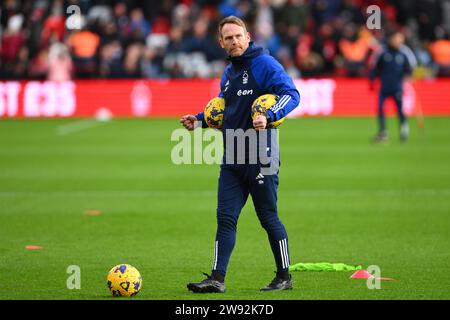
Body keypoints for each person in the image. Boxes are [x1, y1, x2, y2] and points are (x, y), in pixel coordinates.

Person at [180, 16, 300, 293]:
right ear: (221, 43)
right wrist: (199, 121)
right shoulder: (228, 72)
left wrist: (269, 115)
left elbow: (292, 94)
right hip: (233, 156)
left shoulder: (265, 64)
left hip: (262, 156)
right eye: (228, 38)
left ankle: (284, 277)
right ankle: (217, 279)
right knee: (225, 218)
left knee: (268, 217)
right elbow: (228, 110)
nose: (234, 41)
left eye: (238, 36)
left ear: (248, 37)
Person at [369, 30, 417, 143]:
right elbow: (375, 68)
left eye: (400, 39)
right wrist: (372, 81)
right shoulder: (382, 52)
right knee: (380, 109)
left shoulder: (404, 52)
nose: (398, 41)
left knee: (400, 110)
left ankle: (404, 128)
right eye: (396, 38)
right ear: (391, 39)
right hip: (384, 87)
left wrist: (409, 77)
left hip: (397, 87)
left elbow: (411, 68)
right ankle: (383, 132)